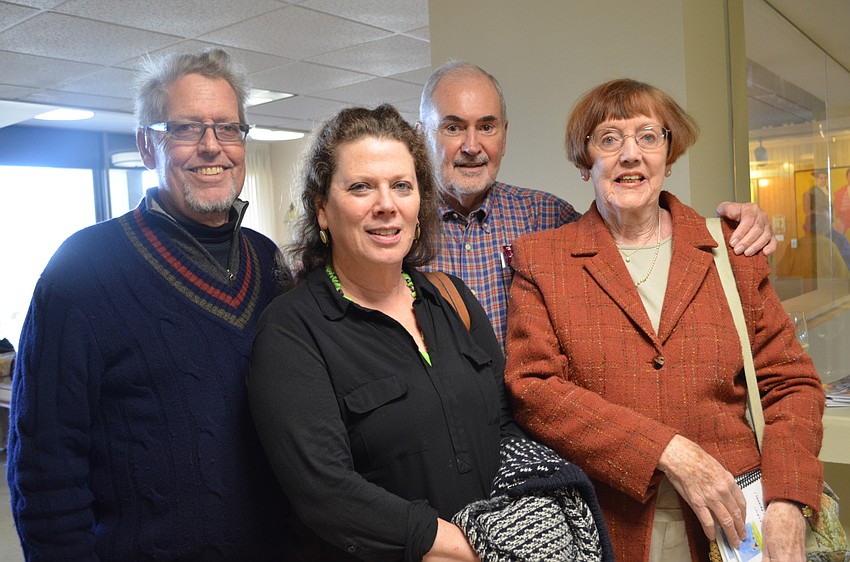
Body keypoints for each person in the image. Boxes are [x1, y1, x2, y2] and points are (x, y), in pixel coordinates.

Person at [504, 78, 825, 562]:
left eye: (649, 136)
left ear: (669, 157)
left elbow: (792, 382)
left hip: (740, 525)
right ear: (584, 160)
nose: (630, 154)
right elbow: (535, 389)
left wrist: (787, 500)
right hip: (608, 523)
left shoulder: (732, 251)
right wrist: (668, 451)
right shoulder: (542, 259)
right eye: (609, 139)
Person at [6, 49, 293, 560]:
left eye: (228, 129)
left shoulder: (267, 261)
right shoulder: (82, 270)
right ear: (146, 145)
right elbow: (45, 471)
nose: (212, 147)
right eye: (186, 129)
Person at [247, 104, 525, 561]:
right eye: (360, 187)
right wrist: (462, 547)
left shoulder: (450, 298)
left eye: (401, 186)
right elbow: (327, 492)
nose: (386, 205)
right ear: (322, 209)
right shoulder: (291, 332)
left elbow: (505, 422)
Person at [417, 61, 776, 348]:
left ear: (505, 135)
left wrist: (742, 222)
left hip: (527, 430)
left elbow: (635, 231)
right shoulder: (399, 226)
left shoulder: (547, 217)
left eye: (487, 127)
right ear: (421, 135)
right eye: (452, 128)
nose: (471, 145)